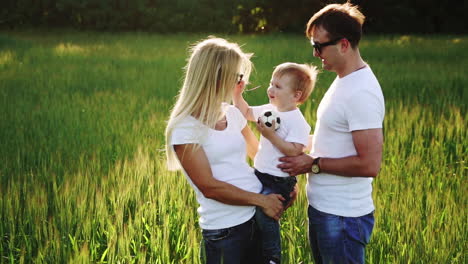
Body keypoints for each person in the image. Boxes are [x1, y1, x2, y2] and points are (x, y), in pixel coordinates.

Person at [277, 3, 385, 264]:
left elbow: (370, 164)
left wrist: (312, 164)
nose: (315, 54)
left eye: (319, 46)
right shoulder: (343, 81)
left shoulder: (362, 92)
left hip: (343, 218)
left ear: (344, 45)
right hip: (326, 211)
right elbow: (334, 140)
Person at [165, 37, 285, 264]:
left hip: (258, 219)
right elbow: (210, 187)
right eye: (236, 75)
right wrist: (261, 200)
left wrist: (285, 182)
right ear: (215, 76)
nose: (241, 81)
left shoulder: (231, 113)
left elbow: (257, 154)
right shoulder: (185, 128)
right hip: (226, 232)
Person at [233, 62, 318, 264]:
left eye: (278, 86)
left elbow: (295, 149)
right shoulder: (269, 110)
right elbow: (245, 112)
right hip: (259, 174)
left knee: (265, 214)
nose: (270, 89)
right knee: (250, 214)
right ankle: (254, 253)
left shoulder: (297, 121)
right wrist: (237, 94)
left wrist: (270, 136)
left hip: (278, 180)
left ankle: (272, 256)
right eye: (271, 84)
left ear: (296, 96)